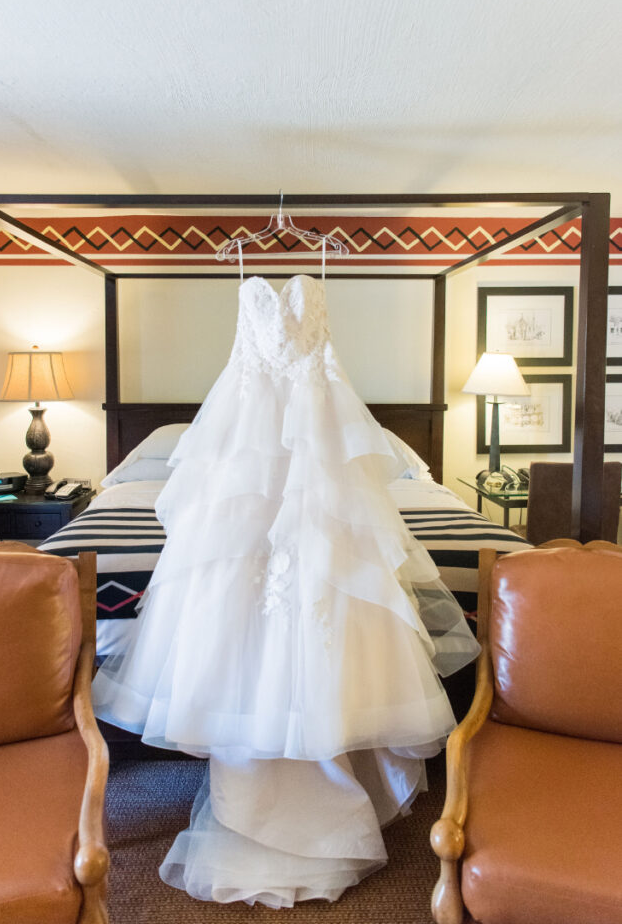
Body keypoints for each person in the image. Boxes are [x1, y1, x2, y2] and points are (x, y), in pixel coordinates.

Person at [93, 264, 480, 906]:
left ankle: (324, 777)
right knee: (246, 594)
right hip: (247, 468)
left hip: (322, 462)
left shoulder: (306, 273)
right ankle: (273, 797)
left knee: (331, 585)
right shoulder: (254, 277)